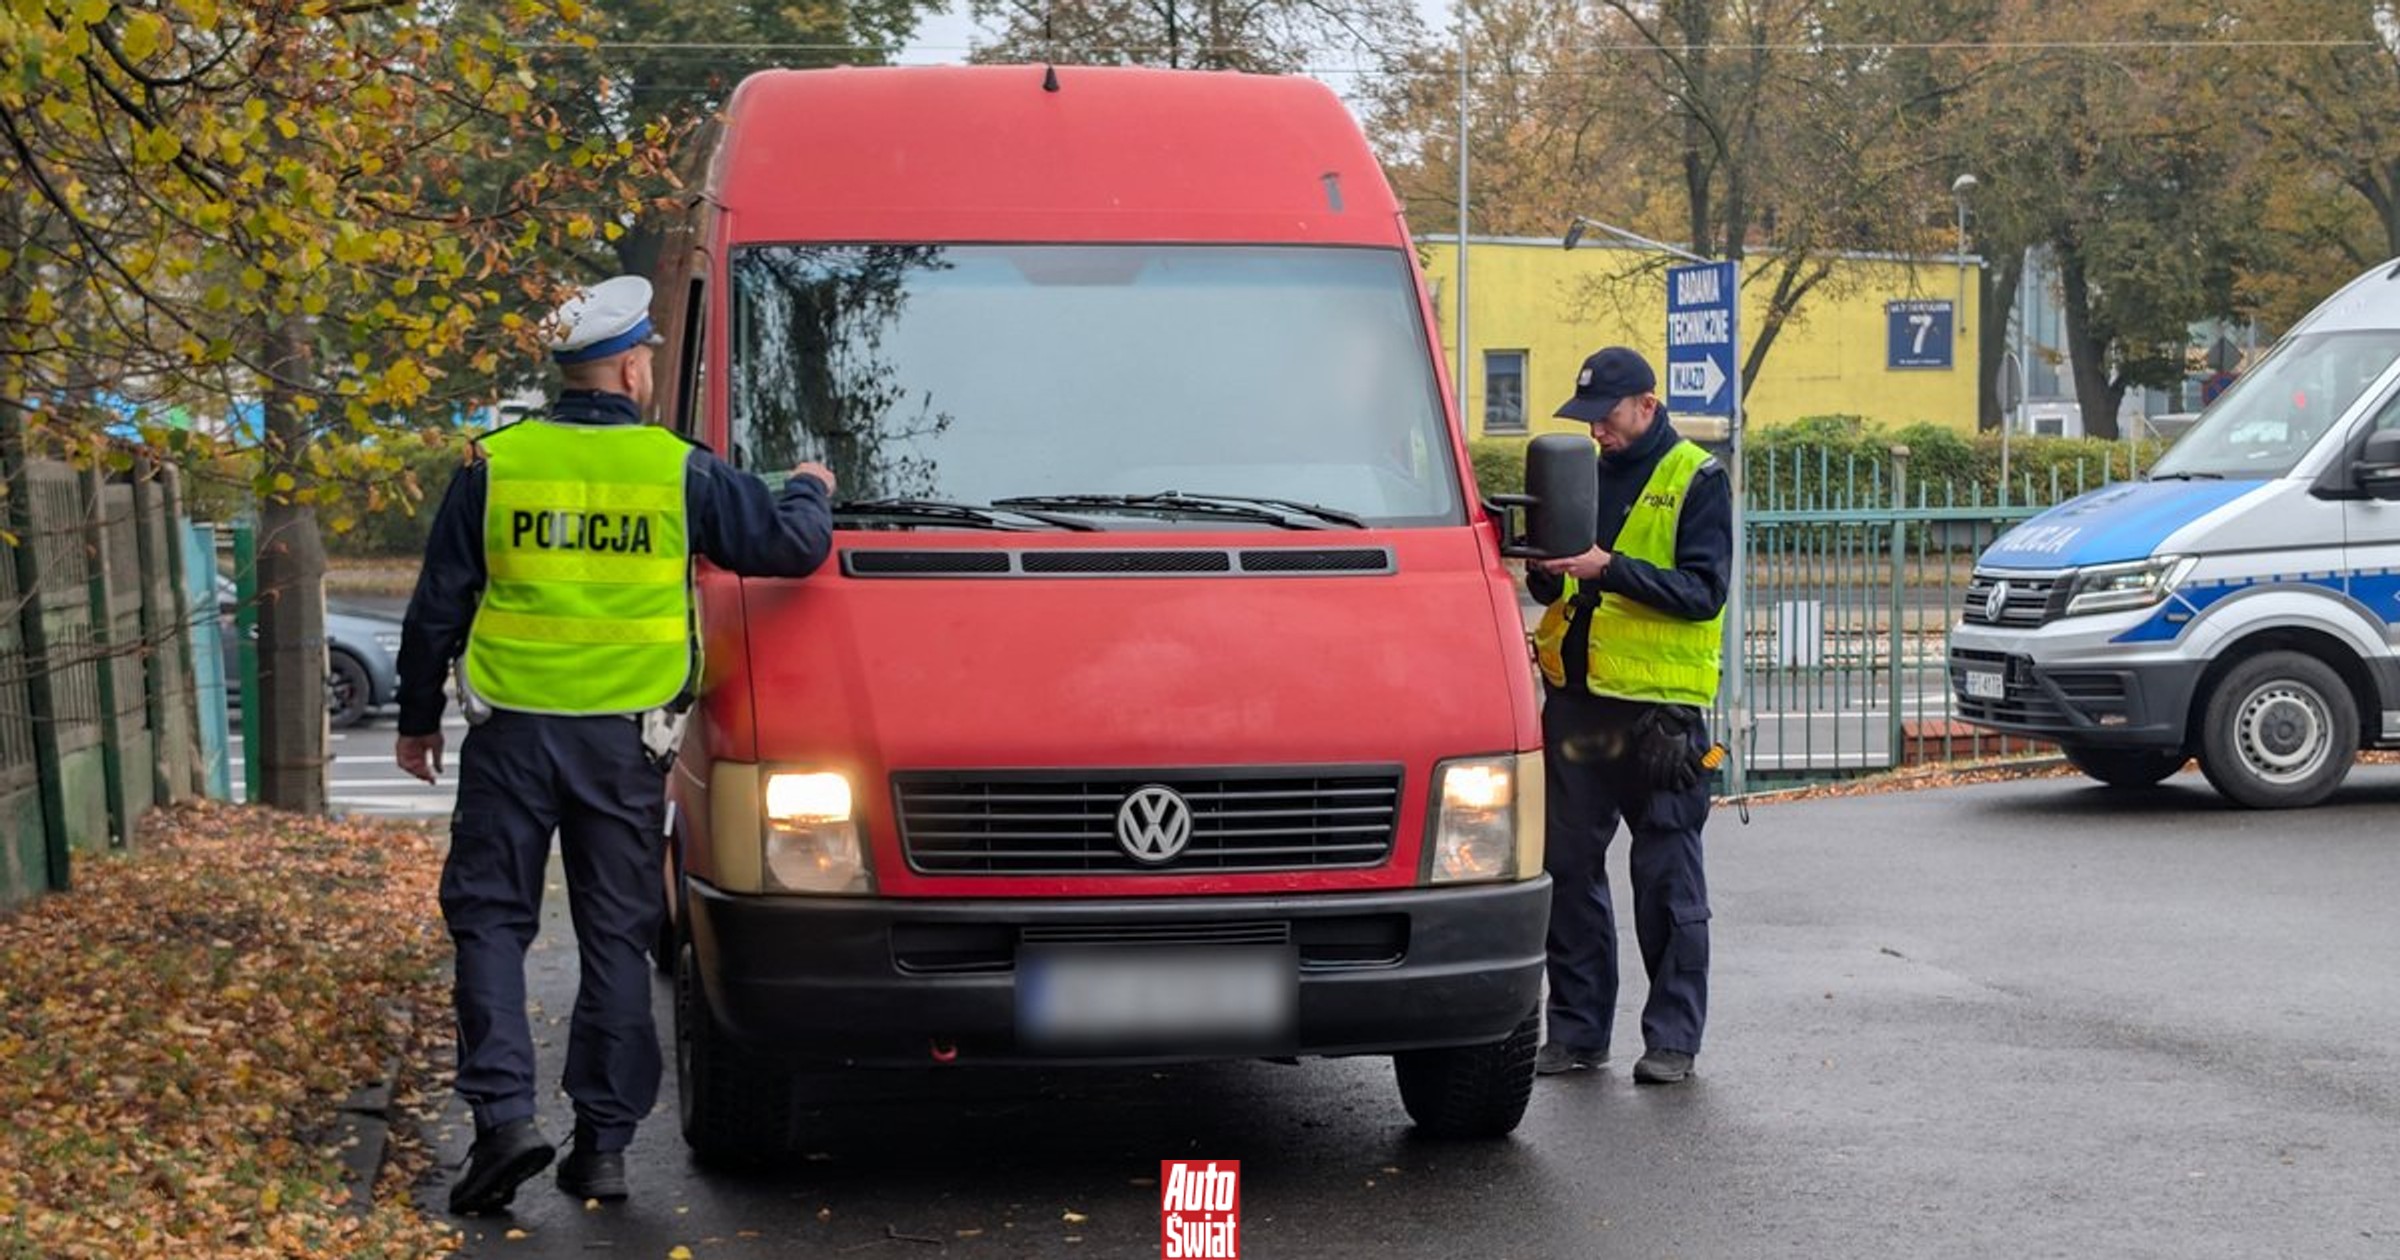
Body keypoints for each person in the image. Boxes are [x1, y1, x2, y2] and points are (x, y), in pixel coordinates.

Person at [394, 276, 839, 1214]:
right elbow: (788, 548)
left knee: (489, 924)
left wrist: (415, 717)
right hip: (623, 751)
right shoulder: (678, 469)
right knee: (615, 937)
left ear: (566, 373)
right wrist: (808, 487)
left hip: (510, 738)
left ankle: (503, 1121)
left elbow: (438, 603)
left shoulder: (493, 465)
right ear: (634, 367)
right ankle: (602, 1148)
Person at [1526, 346, 1731, 1086]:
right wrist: (1546, 571)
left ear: (1648, 404)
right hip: (1577, 704)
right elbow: (1556, 593)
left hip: (1657, 719)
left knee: (1666, 878)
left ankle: (1672, 1040)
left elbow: (1704, 591)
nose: (1595, 432)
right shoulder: (1577, 476)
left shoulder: (1696, 479)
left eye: (1605, 416)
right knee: (1570, 872)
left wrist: (1606, 567)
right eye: (1585, 419)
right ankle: (1578, 1034)